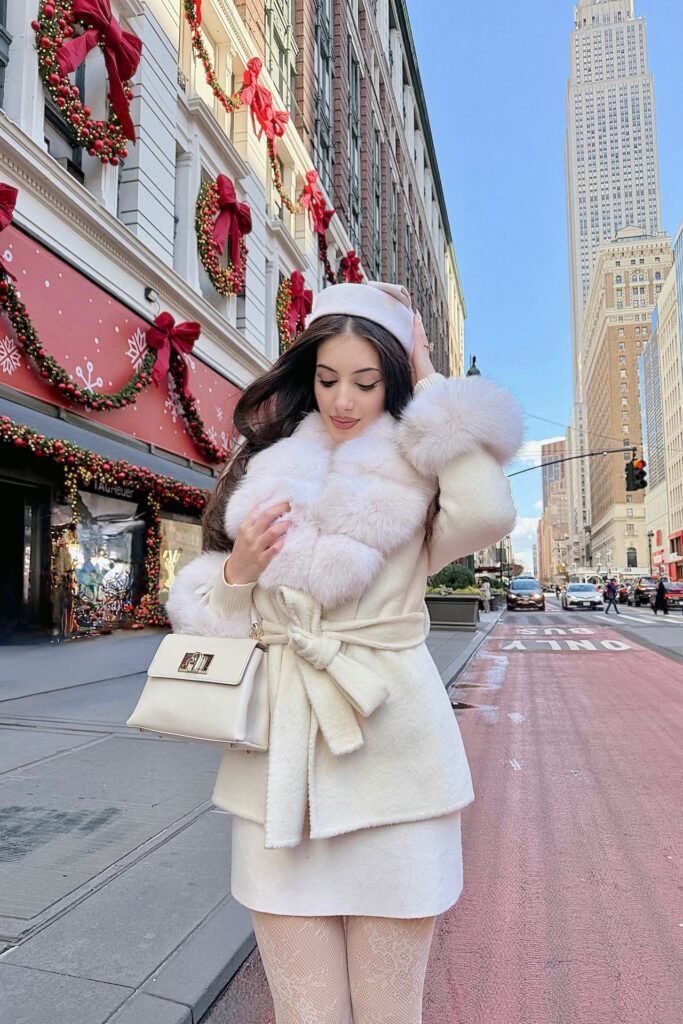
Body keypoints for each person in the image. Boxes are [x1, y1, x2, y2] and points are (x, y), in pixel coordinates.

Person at [167, 281, 523, 1023]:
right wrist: (238, 572)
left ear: (392, 381)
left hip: (392, 762)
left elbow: (490, 511)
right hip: (278, 779)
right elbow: (207, 609)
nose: (343, 399)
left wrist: (429, 378)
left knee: (392, 1013)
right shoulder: (262, 465)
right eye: (327, 379)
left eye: (366, 381)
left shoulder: (421, 473)